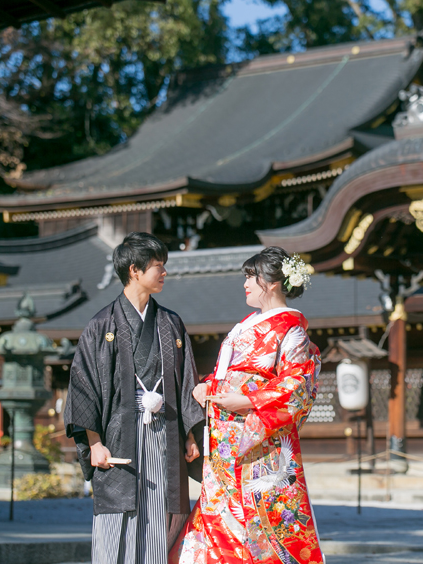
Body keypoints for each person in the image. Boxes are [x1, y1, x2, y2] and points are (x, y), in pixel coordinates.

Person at [169, 246, 324, 564]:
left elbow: (298, 387)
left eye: (252, 276)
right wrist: (208, 385)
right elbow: (231, 375)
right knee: (217, 516)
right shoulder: (247, 325)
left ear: (274, 282)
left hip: (257, 445)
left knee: (257, 525)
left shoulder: (289, 331)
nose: (246, 283)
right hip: (223, 441)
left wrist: (248, 401)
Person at [65, 232, 204, 564]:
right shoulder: (102, 325)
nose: (165, 273)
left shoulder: (170, 323)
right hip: (118, 437)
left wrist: (190, 435)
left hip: (165, 434)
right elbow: (84, 386)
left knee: (161, 514)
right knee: (118, 517)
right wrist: (94, 443)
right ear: (134, 270)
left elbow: (186, 381)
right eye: (158, 266)